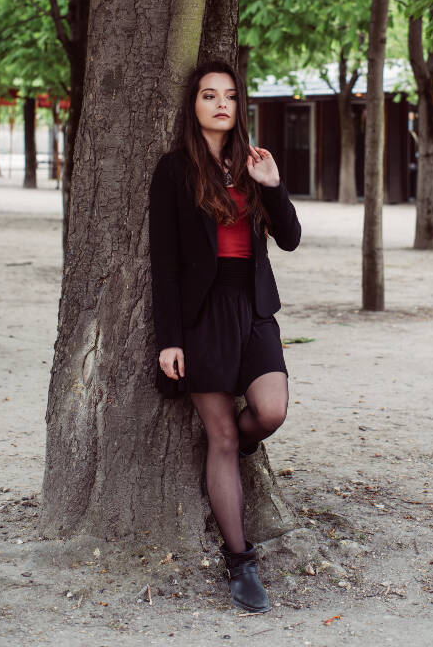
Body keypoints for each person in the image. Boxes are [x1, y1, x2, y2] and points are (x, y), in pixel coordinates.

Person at [148, 58, 301, 614]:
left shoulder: (254, 163)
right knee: (222, 439)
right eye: (208, 95)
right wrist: (170, 339)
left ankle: (236, 446)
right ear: (194, 106)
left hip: (255, 307)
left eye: (229, 96)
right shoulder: (174, 171)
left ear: (240, 107)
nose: (219, 104)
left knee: (270, 410)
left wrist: (274, 187)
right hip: (201, 316)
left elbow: (289, 238)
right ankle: (241, 564)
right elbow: (163, 264)